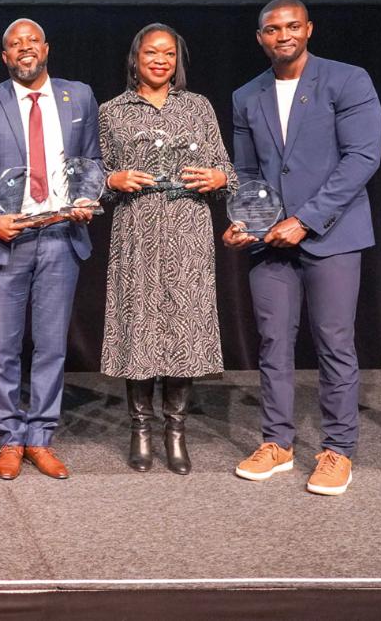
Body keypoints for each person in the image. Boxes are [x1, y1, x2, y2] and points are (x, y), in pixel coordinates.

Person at [223, 0, 381, 496]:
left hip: (333, 235)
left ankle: (338, 449)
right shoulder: (246, 95)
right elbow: (247, 173)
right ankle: (278, 443)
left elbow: (362, 158)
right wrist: (245, 222)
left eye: (292, 26)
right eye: (273, 29)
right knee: (273, 342)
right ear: (260, 38)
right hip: (271, 242)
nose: (283, 35)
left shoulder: (347, 80)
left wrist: (305, 220)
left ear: (308, 29)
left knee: (334, 342)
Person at [0, 18, 100, 481]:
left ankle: (40, 437)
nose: (24, 48)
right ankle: (10, 437)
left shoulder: (79, 96)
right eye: (15, 44)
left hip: (60, 236)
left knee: (52, 346)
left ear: (46, 48)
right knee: (5, 348)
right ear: (5, 56)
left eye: (31, 41)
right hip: (8, 238)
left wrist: (86, 197)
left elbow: (92, 162)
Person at [99, 23, 236, 475]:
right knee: (138, 325)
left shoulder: (198, 107)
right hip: (136, 229)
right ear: (135, 58)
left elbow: (226, 170)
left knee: (183, 327)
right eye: (151, 53)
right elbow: (90, 177)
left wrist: (219, 177)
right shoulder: (112, 112)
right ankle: (140, 428)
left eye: (169, 54)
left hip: (187, 228)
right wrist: (111, 179)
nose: (160, 60)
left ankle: (175, 430)